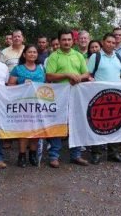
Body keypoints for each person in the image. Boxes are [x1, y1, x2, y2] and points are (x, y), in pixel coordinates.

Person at [45, 30, 92, 167]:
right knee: (58, 125)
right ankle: (54, 156)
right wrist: (67, 75)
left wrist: (78, 77)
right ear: (59, 41)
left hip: (77, 96)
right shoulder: (54, 56)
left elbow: (86, 73)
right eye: (63, 40)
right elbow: (49, 76)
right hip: (59, 97)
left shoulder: (78, 55)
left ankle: (76, 155)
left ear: (73, 41)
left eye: (69, 39)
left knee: (76, 125)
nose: (66, 42)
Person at [87, 33, 121, 164]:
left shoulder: (118, 57)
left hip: (116, 97)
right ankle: (96, 153)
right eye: (108, 42)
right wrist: (89, 79)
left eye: (113, 42)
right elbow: (88, 74)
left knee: (115, 123)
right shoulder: (95, 56)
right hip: (99, 97)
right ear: (103, 42)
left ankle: (113, 153)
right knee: (98, 124)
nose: (111, 44)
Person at [8, 44, 45, 168]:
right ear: (24, 54)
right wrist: (22, 83)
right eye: (29, 52)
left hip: (38, 104)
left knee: (36, 130)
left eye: (34, 52)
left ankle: (33, 154)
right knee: (24, 131)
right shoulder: (18, 69)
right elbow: (10, 85)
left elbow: (46, 85)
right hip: (23, 104)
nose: (32, 54)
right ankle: (22, 155)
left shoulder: (41, 68)